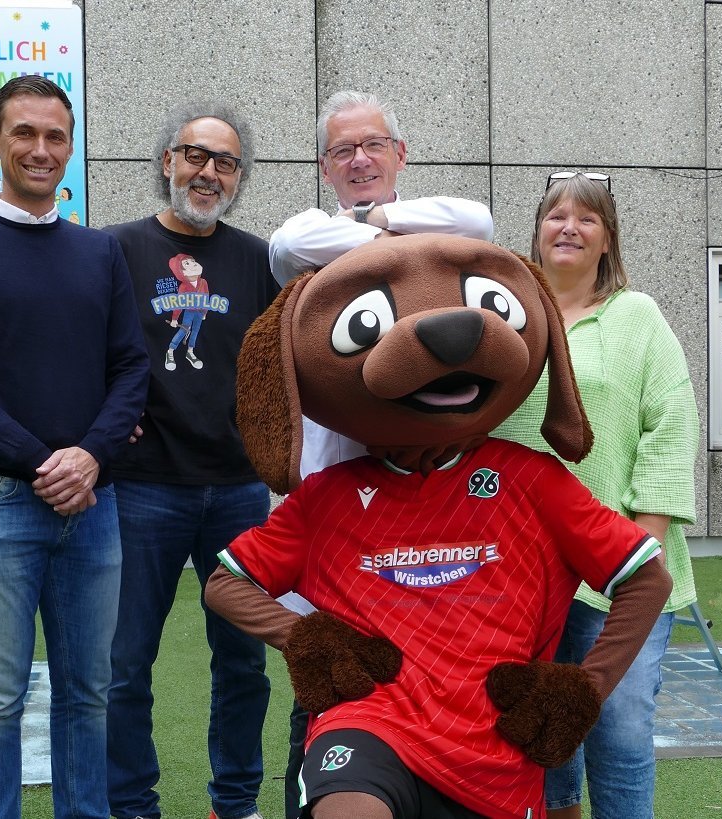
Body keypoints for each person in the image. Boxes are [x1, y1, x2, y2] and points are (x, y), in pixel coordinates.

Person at [0, 75, 149, 819]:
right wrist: (42, 461)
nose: (39, 149)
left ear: (71, 148)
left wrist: (90, 459)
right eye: (24, 133)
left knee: (89, 694)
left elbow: (131, 368)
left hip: (93, 504)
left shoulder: (99, 253)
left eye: (54, 136)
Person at [269, 89, 494, 819]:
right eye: (343, 151)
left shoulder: (440, 223)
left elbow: (481, 221)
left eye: (373, 146)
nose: (359, 160)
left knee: (431, 657)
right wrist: (379, 234)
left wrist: (379, 224)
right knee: (325, 666)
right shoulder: (310, 234)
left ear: (402, 155)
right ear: (325, 167)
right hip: (333, 500)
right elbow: (285, 246)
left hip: (429, 502)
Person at [494, 171, 700, 819]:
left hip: (620, 572)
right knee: (543, 730)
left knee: (620, 729)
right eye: (556, 215)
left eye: (587, 218)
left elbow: (672, 423)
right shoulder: (511, 314)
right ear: (536, 230)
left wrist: (642, 542)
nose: (569, 227)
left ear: (608, 238)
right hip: (524, 573)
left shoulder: (637, 317)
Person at [103, 102, 279, 819]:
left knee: (242, 660)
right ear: (166, 162)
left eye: (226, 161)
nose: (209, 172)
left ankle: (235, 802)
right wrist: (106, 425)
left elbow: (279, 363)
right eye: (195, 155)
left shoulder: (259, 259)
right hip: (142, 490)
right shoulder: (112, 250)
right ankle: (130, 804)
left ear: (239, 176)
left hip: (238, 491)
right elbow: (86, 349)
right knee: (126, 665)